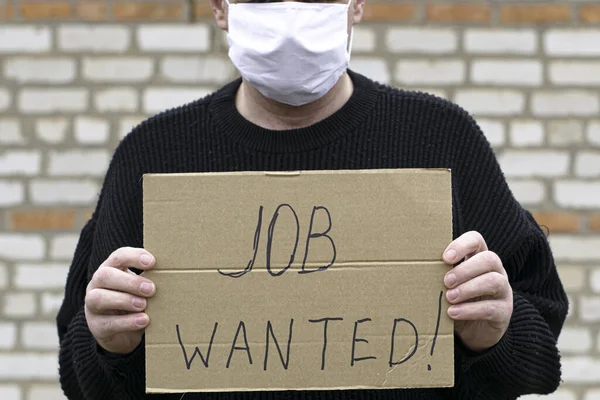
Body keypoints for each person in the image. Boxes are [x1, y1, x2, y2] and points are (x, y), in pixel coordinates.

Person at [56, 0, 569, 399]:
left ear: (356, 4)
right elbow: (83, 379)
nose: (290, 18)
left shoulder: (442, 140)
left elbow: (539, 354)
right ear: (219, 9)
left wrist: (495, 334)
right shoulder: (153, 154)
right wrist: (107, 344)